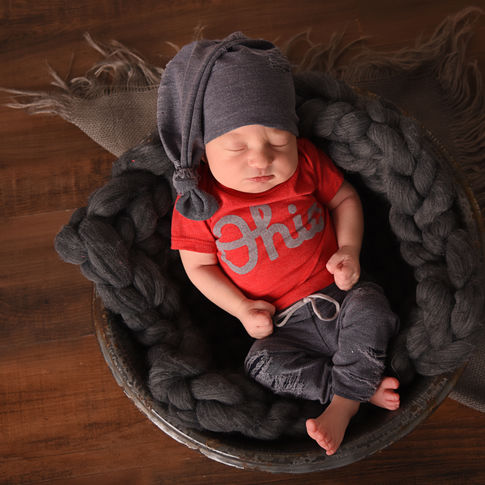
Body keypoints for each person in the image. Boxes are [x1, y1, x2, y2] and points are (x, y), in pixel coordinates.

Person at [157, 32, 400, 456]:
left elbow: (344, 199)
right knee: (261, 364)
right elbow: (199, 267)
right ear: (203, 150)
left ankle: (344, 403)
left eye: (278, 141)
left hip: (341, 296)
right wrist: (241, 308)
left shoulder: (305, 163)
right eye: (236, 146)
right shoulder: (198, 200)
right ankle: (353, 385)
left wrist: (349, 250)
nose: (261, 159)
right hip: (286, 327)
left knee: (373, 307)